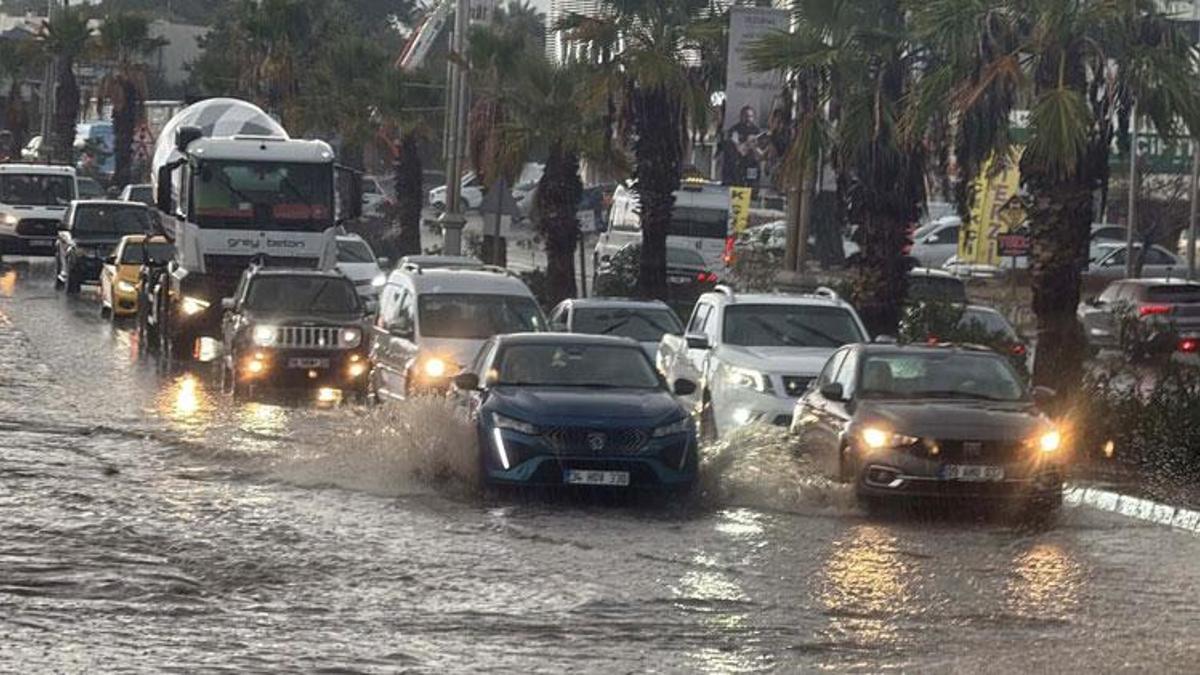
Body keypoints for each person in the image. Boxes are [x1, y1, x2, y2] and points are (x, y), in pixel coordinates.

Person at [727, 105, 764, 187]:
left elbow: (761, 152)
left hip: (752, 164)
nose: (748, 119)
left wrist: (754, 147)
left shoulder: (756, 130)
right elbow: (736, 147)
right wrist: (746, 144)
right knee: (739, 186)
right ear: (741, 116)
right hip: (739, 164)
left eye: (750, 116)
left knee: (752, 186)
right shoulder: (735, 130)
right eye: (746, 116)